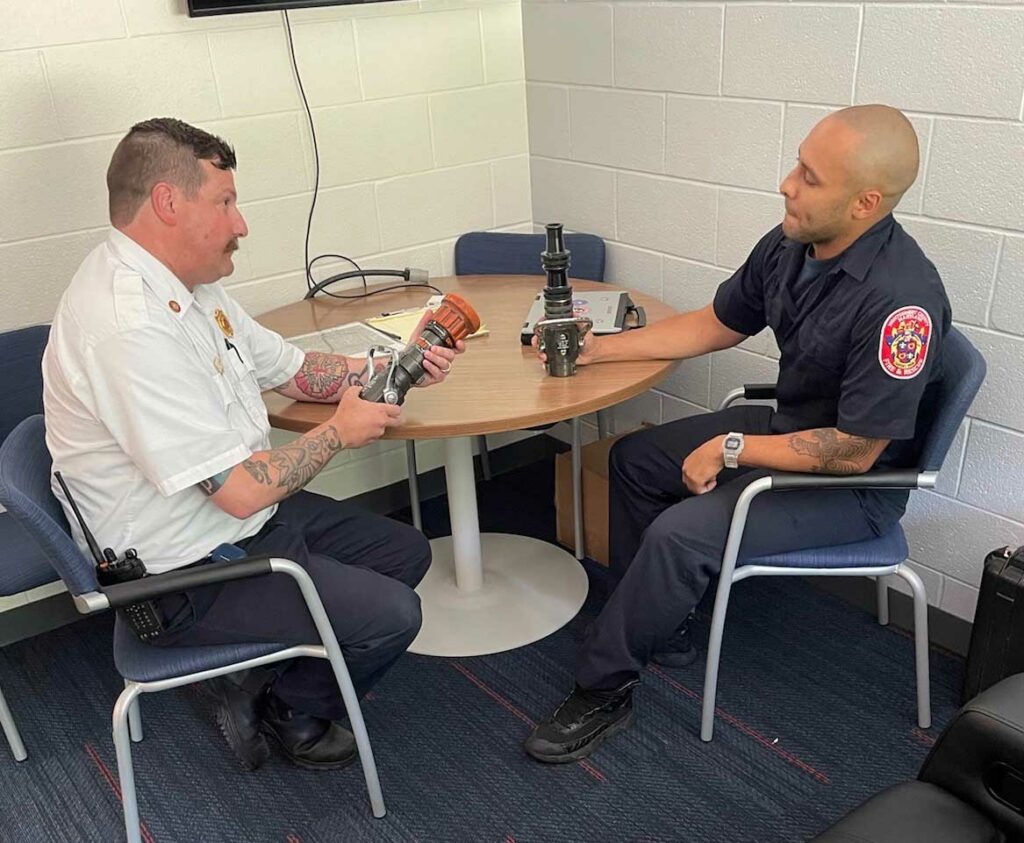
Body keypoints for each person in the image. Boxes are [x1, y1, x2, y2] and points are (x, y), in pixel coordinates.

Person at [524, 104, 951, 763]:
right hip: (791, 423)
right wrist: (599, 348)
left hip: (853, 484)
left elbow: (856, 449)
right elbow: (717, 322)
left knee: (679, 530)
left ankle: (602, 685)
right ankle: (658, 624)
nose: (787, 183)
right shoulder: (792, 242)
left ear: (865, 202)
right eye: (796, 164)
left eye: (810, 175)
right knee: (636, 459)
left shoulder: (902, 302)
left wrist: (733, 448)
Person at [43, 117, 463, 772]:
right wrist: (338, 431)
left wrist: (393, 363)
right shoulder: (126, 328)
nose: (241, 224)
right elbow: (239, 492)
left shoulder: (190, 288)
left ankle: (270, 683)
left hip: (231, 521)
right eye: (226, 202)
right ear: (168, 203)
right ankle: (288, 712)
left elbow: (294, 371)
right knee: (393, 614)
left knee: (405, 551)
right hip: (182, 571)